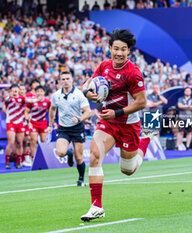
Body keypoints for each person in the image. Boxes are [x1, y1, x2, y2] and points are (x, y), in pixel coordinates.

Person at [80, 28, 157, 222]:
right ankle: (96, 206)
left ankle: (146, 139)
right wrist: (87, 93)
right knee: (95, 155)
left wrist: (118, 112)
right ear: (110, 49)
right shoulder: (104, 66)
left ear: (129, 51)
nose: (119, 53)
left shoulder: (133, 73)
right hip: (108, 123)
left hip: (129, 125)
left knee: (128, 170)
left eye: (123, 49)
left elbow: (142, 102)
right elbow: (86, 86)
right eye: (116, 48)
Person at [48, 71, 92, 187]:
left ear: (72, 80)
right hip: (63, 128)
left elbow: (88, 112)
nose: (65, 81)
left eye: (68, 78)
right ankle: (69, 153)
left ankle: (81, 179)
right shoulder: (56, 95)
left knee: (79, 158)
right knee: (61, 153)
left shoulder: (78, 94)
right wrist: (51, 124)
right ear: (60, 81)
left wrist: (79, 119)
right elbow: (52, 109)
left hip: (77, 128)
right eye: (63, 79)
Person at [4, 84, 38, 169]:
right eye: (13, 90)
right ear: (11, 90)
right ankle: (7, 162)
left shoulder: (22, 98)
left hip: (20, 123)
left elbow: (30, 101)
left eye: (16, 90)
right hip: (11, 123)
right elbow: (6, 101)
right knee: (11, 142)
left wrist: (39, 98)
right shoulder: (8, 98)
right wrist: (11, 95)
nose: (15, 91)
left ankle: (19, 162)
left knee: (20, 143)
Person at [25, 85, 51, 163]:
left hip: (43, 123)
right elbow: (26, 111)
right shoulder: (32, 101)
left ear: (44, 92)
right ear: (35, 92)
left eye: (41, 91)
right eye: (38, 91)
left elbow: (51, 113)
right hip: (33, 123)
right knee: (34, 140)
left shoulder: (47, 101)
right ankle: (33, 159)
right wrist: (28, 122)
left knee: (43, 140)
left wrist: (51, 124)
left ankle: (44, 159)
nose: (39, 93)